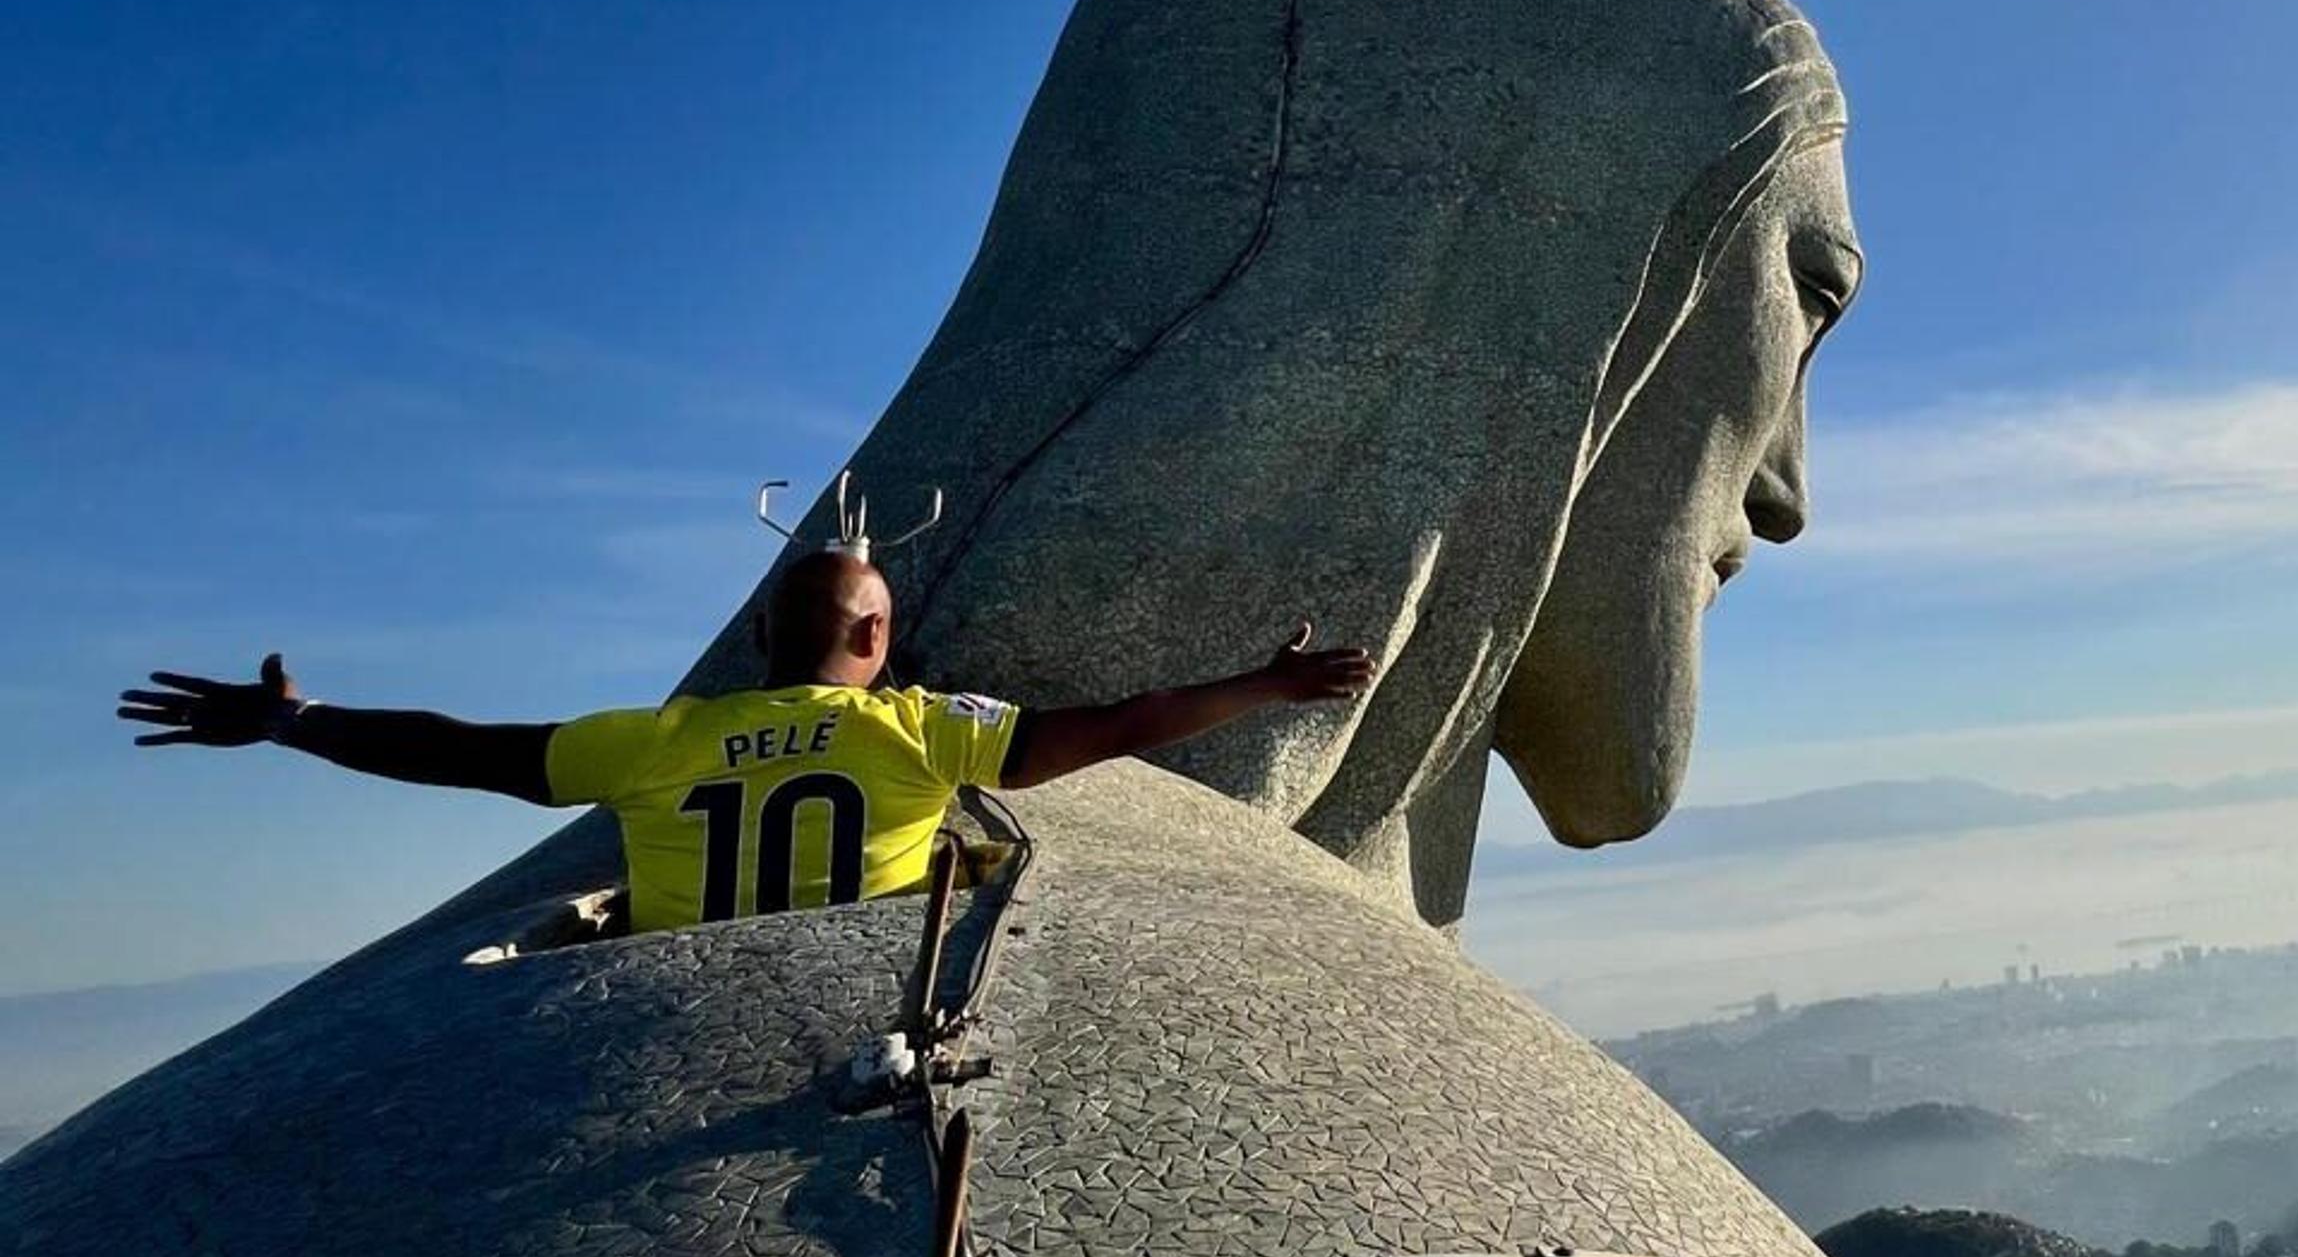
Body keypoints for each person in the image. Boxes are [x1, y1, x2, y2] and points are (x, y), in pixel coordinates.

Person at [117, 547, 1376, 932]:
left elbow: (463, 749)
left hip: (680, 1003)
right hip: (856, 1015)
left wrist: (299, 724)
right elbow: (1118, 727)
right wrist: (1265, 686)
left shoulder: (650, 742)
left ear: (764, 637)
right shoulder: (920, 733)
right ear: (877, 641)